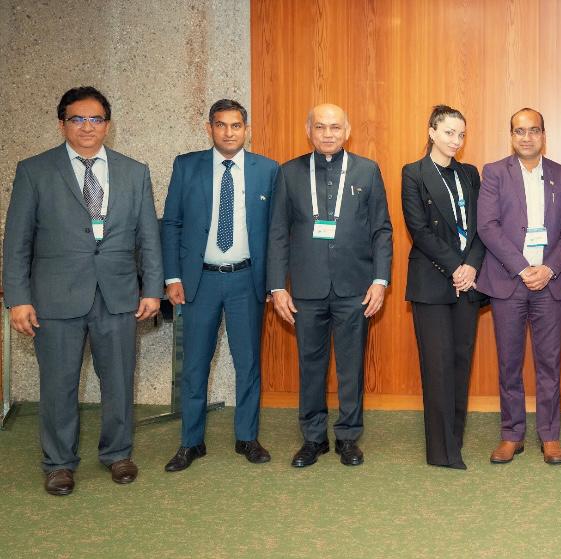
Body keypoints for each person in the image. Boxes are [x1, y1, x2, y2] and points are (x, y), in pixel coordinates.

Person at [2, 86, 162, 495]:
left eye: (95, 119)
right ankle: (58, 463)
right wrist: (17, 298)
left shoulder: (133, 171)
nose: (87, 126)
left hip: (118, 294)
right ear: (62, 124)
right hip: (54, 298)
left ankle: (118, 454)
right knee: (58, 384)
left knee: (120, 381)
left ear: (107, 125)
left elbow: (148, 237)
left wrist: (152, 289)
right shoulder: (34, 170)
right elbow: (17, 241)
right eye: (77, 119)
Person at [266, 103, 393, 468]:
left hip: (356, 287)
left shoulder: (367, 171)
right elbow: (277, 233)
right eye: (320, 127)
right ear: (309, 130)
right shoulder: (288, 173)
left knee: (351, 366)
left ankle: (348, 438)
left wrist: (380, 281)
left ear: (347, 130)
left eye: (335, 127)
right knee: (310, 364)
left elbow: (382, 230)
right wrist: (277, 286)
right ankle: (313, 438)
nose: (328, 134)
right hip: (305, 288)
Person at [159, 99, 280, 472]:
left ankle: (247, 437)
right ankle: (191, 442)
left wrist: (275, 284)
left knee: (248, 364)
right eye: (221, 125)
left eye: (236, 125)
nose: (229, 132)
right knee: (194, 366)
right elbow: (172, 223)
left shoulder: (268, 170)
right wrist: (172, 276)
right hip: (200, 281)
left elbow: (277, 233)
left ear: (246, 129)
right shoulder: (187, 165)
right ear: (209, 128)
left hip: (247, 280)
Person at [476, 108, 561, 465]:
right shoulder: (494, 173)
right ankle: (511, 434)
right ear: (511, 135)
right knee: (509, 363)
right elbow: (487, 227)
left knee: (549, 363)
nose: (526, 137)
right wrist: (522, 269)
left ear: (543, 134)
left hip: (548, 284)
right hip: (509, 282)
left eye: (533, 130)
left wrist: (549, 268)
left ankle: (550, 435)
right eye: (519, 131)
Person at [400, 105, 488, 470]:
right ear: (432, 132)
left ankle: (456, 439)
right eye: (449, 132)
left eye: (461, 134)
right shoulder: (414, 173)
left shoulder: (470, 173)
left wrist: (471, 267)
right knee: (436, 366)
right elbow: (418, 230)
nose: (455, 140)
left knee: (460, 362)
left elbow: (483, 226)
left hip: (468, 282)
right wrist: (455, 267)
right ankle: (441, 452)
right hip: (433, 282)